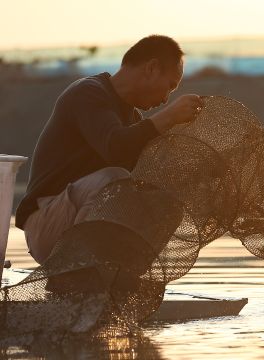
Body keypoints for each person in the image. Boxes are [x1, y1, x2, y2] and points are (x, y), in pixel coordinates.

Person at [15, 35, 203, 265]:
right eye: (170, 86)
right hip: (45, 223)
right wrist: (169, 117)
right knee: (114, 179)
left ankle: (115, 277)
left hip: (76, 222)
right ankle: (75, 274)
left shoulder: (133, 120)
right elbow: (114, 147)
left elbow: (145, 175)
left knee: (166, 204)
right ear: (152, 68)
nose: (166, 99)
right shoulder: (87, 93)